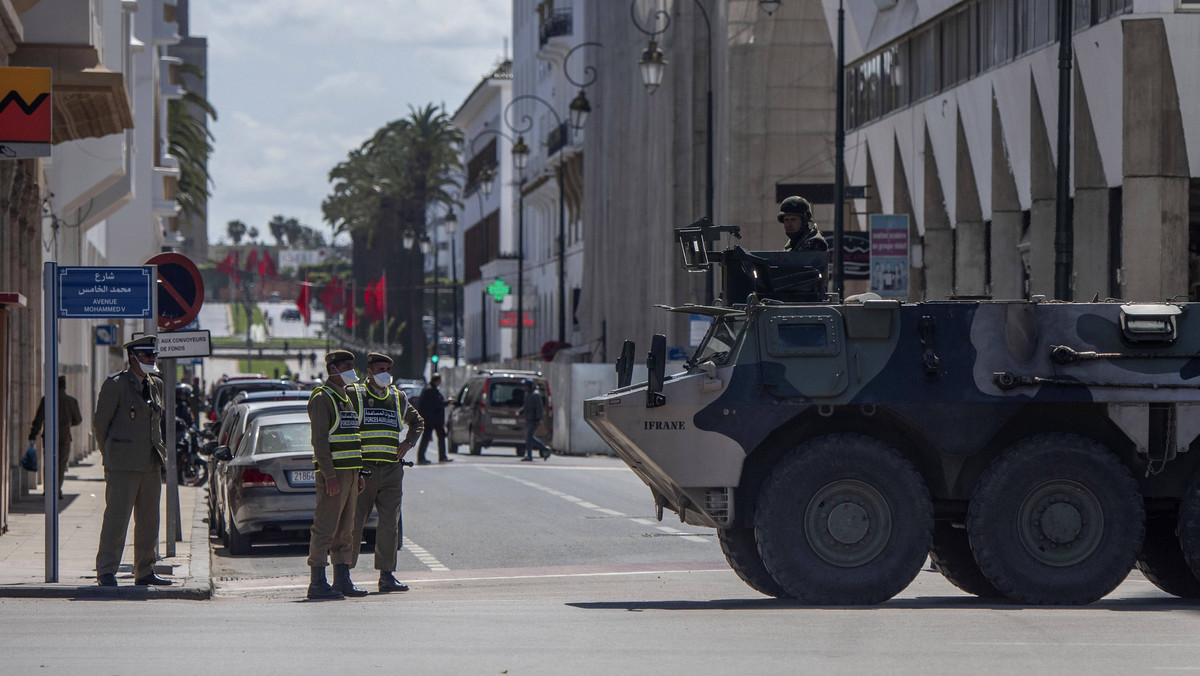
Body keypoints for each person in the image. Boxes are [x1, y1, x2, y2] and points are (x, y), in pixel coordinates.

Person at [92, 336, 170, 587]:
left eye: (153, 355)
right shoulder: (116, 385)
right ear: (133, 357)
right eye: (147, 356)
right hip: (123, 464)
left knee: (149, 521)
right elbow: (100, 425)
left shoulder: (155, 384)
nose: (152, 360)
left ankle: (145, 570)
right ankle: (106, 570)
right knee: (117, 519)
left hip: (150, 462)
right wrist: (111, 454)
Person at [349, 352, 424, 593]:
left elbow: (418, 422)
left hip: (392, 470)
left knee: (390, 524)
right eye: (381, 369)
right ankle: (343, 574)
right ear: (369, 371)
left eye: (388, 370)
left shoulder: (398, 397)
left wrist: (408, 443)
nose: (386, 374)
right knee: (354, 524)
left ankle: (386, 575)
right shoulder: (356, 394)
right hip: (364, 470)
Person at [306, 349, 368, 600]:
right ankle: (317, 582)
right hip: (334, 475)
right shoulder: (322, 398)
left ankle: (342, 579)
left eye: (352, 366)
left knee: (346, 529)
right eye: (346, 366)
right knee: (325, 527)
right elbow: (320, 441)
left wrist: (359, 472)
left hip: (350, 473)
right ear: (333, 369)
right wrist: (329, 475)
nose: (352, 371)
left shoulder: (346, 397)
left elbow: (353, 437)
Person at [29, 375, 83, 500]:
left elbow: (39, 419)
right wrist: (68, 423)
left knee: (49, 462)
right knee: (61, 464)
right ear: (65, 386)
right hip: (64, 436)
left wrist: (33, 433)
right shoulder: (71, 401)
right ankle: (57, 489)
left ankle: (48, 489)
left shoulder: (47, 399)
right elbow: (78, 419)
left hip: (49, 435)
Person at [416, 374, 451, 464]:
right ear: (437, 381)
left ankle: (422, 457)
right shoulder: (431, 390)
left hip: (430, 418)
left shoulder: (428, 389)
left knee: (428, 437)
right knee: (436, 436)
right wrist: (448, 402)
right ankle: (441, 456)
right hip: (433, 419)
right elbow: (438, 403)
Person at [518, 379, 551, 462]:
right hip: (528, 418)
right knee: (529, 437)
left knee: (529, 436)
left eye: (525, 385)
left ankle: (543, 449)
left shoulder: (535, 395)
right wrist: (521, 411)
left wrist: (539, 419)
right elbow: (526, 406)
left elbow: (539, 408)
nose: (524, 387)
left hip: (533, 419)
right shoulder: (527, 394)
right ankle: (533, 453)